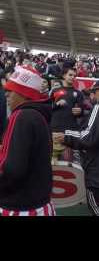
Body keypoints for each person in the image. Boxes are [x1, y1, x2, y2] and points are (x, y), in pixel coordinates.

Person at [54, 80, 99, 216]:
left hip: (98, 164)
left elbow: (89, 137)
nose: (91, 97)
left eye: (94, 92)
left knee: (95, 206)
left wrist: (65, 135)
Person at [0, 65, 55, 216]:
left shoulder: (21, 116)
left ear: (23, 93)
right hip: (40, 204)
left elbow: (12, 169)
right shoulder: (38, 115)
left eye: (11, 90)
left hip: (19, 206)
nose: (6, 95)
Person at [50, 67, 84, 162]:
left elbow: (82, 112)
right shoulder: (55, 91)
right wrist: (57, 104)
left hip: (69, 132)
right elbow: (47, 108)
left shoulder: (78, 93)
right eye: (70, 75)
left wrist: (80, 111)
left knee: (67, 163)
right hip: (55, 130)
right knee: (52, 162)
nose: (72, 77)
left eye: (74, 75)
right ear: (64, 75)